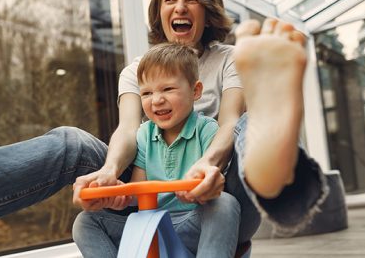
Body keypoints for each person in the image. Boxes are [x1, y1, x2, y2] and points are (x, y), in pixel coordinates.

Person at [0, 0, 331, 251]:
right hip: (155, 191)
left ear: (207, 10)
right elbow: (128, 130)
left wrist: (210, 165)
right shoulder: (135, 71)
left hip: (221, 187)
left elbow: (229, 119)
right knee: (71, 142)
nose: (180, 6)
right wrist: (111, 174)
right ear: (160, 13)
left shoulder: (235, 58)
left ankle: (277, 178)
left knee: (251, 121)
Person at [73, 43, 240, 257]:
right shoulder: (143, 135)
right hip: (151, 224)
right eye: (147, 93)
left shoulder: (207, 130)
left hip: (193, 223)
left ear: (195, 91)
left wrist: (199, 192)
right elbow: (139, 190)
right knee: (86, 222)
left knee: (225, 204)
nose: (157, 100)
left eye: (168, 89)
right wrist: (121, 198)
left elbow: (213, 186)